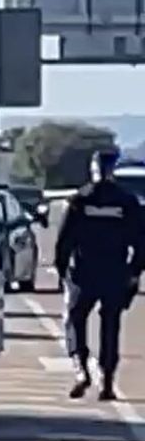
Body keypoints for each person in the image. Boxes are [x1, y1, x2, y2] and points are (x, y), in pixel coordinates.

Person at [54, 149, 145, 400]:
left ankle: (81, 369)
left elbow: (64, 240)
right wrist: (134, 272)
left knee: (75, 319)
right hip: (115, 271)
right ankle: (107, 381)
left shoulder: (80, 200)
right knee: (111, 325)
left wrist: (61, 271)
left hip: (84, 272)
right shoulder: (127, 201)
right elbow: (141, 241)